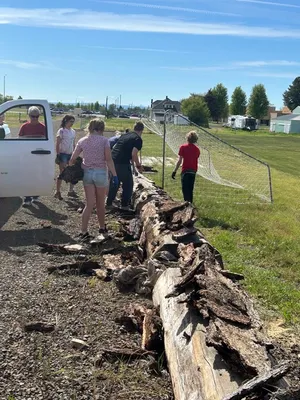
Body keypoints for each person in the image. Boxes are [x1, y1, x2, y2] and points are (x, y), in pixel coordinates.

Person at [69, 119, 118, 241]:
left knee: (89, 203)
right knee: (100, 203)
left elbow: (73, 158)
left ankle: (84, 231)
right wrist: (115, 174)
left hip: (87, 174)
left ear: (90, 128)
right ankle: (102, 228)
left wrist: (75, 166)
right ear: (101, 129)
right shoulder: (104, 141)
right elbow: (108, 159)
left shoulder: (82, 141)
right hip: (100, 173)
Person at [106, 121, 144, 210]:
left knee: (115, 182)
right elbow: (134, 154)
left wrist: (133, 167)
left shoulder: (125, 135)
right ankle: (124, 205)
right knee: (128, 184)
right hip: (122, 162)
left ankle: (109, 203)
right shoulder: (137, 139)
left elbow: (119, 148)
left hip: (113, 160)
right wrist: (138, 166)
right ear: (142, 130)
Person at [19, 106, 46, 206]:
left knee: (37, 175)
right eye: (32, 116)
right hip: (26, 155)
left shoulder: (43, 127)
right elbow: (19, 140)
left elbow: (46, 141)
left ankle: (35, 195)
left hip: (38, 155)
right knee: (26, 176)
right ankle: (27, 197)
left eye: (37, 116)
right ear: (29, 116)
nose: (34, 118)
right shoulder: (24, 127)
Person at [171, 130, 200, 204]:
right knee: (190, 189)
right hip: (193, 171)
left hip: (185, 171)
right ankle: (190, 204)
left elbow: (180, 161)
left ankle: (186, 205)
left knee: (185, 190)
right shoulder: (197, 149)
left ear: (187, 138)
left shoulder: (183, 147)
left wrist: (174, 171)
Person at [54, 115, 77, 200]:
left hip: (70, 154)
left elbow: (73, 143)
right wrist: (58, 154)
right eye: (71, 121)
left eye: (73, 122)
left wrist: (74, 153)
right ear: (66, 121)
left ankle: (71, 191)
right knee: (62, 173)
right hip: (63, 154)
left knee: (73, 172)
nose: (72, 123)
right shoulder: (61, 131)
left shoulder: (73, 131)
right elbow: (57, 143)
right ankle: (57, 191)